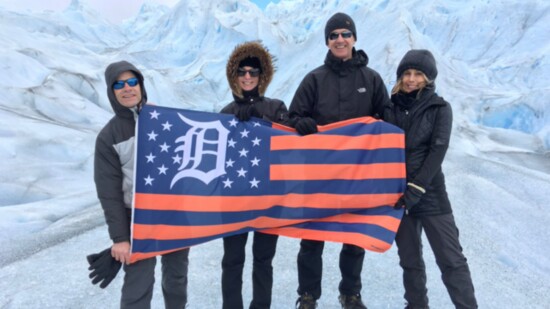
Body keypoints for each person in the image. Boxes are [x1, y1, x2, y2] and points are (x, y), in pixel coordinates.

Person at [289, 12, 390, 309]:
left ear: (355, 38)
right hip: (319, 174)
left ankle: (350, 293)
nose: (340, 39)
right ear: (328, 42)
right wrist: (301, 123)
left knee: (354, 236)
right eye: (333, 35)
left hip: (358, 174)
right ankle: (307, 295)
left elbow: (387, 119)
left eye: (345, 34)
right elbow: (293, 116)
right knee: (311, 237)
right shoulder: (314, 79)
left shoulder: (371, 79)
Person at [385, 49, 478, 309]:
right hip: (399, 197)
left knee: (451, 260)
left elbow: (438, 150)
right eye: (407, 73)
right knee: (410, 261)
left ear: (428, 78)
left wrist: (417, 187)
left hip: (431, 195)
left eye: (418, 74)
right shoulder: (389, 108)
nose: (411, 79)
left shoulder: (439, 108)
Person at [94, 60, 190, 308]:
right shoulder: (109, 136)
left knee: (177, 280)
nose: (127, 88)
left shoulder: (163, 120)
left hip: (173, 215)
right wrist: (120, 238)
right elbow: (109, 192)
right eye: (119, 84)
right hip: (136, 219)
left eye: (132, 82)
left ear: (141, 85)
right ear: (112, 91)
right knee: (138, 285)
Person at [219, 41, 289, 309]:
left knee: (263, 259)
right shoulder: (225, 114)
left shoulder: (275, 107)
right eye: (242, 71)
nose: (247, 76)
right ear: (234, 76)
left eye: (253, 72)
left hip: (268, 196)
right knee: (232, 260)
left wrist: (297, 124)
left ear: (263, 76)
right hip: (234, 198)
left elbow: (292, 138)